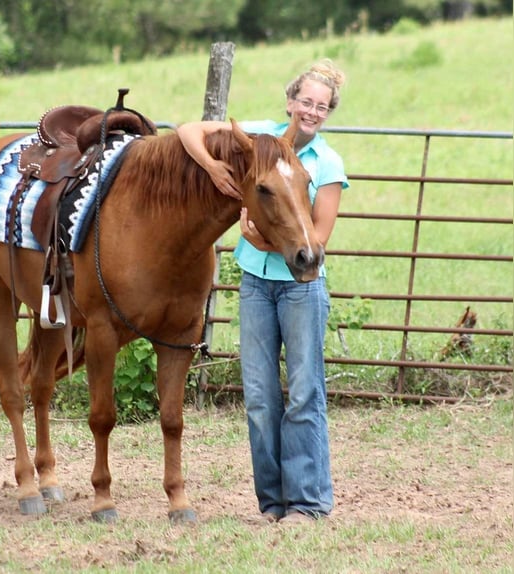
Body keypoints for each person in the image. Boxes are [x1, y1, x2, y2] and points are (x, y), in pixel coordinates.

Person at [177, 59, 348, 524]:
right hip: (255, 284)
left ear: (328, 112)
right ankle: (272, 502)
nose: (312, 111)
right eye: (306, 102)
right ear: (290, 102)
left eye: (322, 106)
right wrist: (213, 167)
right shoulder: (258, 138)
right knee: (258, 396)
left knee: (303, 393)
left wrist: (259, 240)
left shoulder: (327, 163)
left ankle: (308, 502)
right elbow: (188, 129)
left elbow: (318, 241)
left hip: (300, 289)